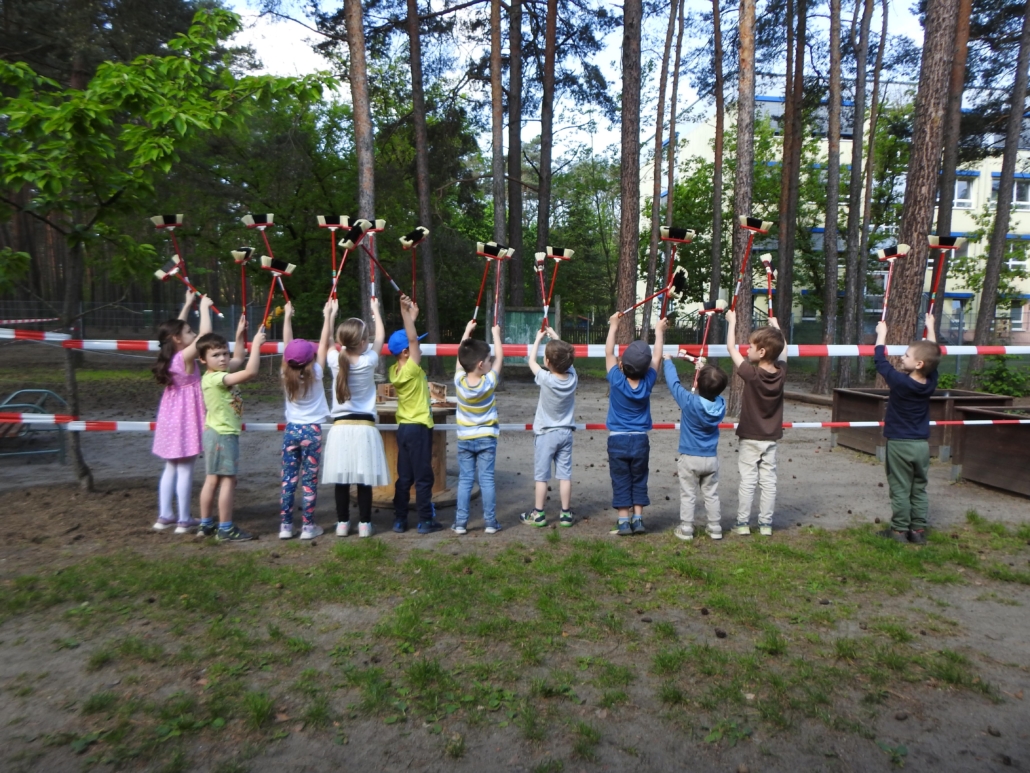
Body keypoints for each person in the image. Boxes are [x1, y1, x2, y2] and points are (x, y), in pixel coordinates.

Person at [323, 299, 391, 538]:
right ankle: (364, 524)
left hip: (340, 428)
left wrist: (329, 315)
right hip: (364, 427)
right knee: (364, 479)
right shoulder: (368, 360)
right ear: (363, 343)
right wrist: (375, 311)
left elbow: (327, 342)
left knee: (341, 479)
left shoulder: (335, 359)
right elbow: (381, 337)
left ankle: (342, 523)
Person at [196, 322, 266, 542]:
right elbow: (251, 371)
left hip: (216, 433)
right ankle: (225, 528)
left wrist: (239, 336)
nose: (223, 358)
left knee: (212, 480)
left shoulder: (218, 371)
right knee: (227, 481)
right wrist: (256, 346)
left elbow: (238, 358)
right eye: (216, 355)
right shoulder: (217, 378)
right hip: (223, 435)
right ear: (203, 360)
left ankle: (206, 524)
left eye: (224, 353)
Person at [874, 313, 940, 544]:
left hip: (899, 444)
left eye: (906, 355)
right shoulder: (931, 381)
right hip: (921, 445)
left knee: (900, 487)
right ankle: (918, 531)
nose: (902, 358)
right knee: (919, 488)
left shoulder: (901, 382)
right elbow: (933, 352)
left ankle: (900, 531)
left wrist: (881, 336)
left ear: (919, 363)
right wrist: (930, 327)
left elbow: (880, 362)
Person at [151, 290, 211, 534]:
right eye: (188, 332)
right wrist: (204, 307)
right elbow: (205, 337)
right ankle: (184, 519)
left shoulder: (171, 355)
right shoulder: (184, 357)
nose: (193, 333)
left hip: (171, 416)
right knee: (186, 467)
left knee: (172, 467)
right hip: (186, 416)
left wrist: (186, 304)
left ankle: (165, 515)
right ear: (177, 338)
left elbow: (177, 330)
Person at [725, 310, 787, 537]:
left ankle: (742, 523)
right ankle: (766, 525)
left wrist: (732, 322)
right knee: (769, 481)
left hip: (750, 437)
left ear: (761, 352)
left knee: (748, 481)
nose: (746, 349)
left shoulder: (751, 374)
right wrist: (777, 327)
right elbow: (784, 352)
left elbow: (731, 348)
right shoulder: (782, 374)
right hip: (771, 438)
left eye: (750, 347)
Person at [604, 313, 667, 536]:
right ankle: (638, 519)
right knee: (639, 477)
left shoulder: (616, 379)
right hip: (640, 440)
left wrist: (613, 326)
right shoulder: (648, 381)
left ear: (622, 364)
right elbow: (658, 355)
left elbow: (609, 352)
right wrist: (659, 331)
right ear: (646, 367)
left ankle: (623, 521)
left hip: (617, 440)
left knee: (621, 478)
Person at [278, 300, 334, 541]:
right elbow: (324, 343)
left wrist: (287, 317)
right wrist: (328, 316)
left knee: (288, 480)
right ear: (311, 360)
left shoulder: (284, 374)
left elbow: (287, 345)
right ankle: (308, 526)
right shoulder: (317, 373)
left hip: (291, 431)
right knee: (310, 480)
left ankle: (285, 526)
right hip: (312, 432)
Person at [387, 293, 441, 534]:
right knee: (423, 477)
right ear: (406, 353)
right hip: (418, 428)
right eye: (413, 344)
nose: (416, 344)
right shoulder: (411, 368)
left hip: (404, 429)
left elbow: (408, 339)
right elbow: (410, 338)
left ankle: (399, 520)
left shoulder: (394, 370)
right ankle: (425, 521)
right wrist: (403, 313)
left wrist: (411, 316)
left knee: (405, 476)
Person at [663, 354, 728, 541]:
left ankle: (686, 528)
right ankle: (715, 527)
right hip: (711, 459)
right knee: (711, 494)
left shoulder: (689, 402)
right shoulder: (721, 405)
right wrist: (701, 370)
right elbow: (713, 390)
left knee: (688, 494)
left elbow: (673, 384)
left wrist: (668, 361)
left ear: (697, 384)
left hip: (690, 458)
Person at [520, 326, 577, 528]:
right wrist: (556, 338)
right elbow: (566, 361)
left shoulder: (545, 378)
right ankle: (566, 514)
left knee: (542, 477)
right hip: (566, 433)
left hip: (546, 435)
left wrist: (538, 339)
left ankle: (539, 513)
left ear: (547, 362)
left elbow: (531, 361)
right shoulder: (573, 378)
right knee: (565, 475)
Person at [452, 320, 504, 535]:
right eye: (489, 360)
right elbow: (501, 357)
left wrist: (466, 332)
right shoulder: (489, 382)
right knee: (487, 480)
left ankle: (461, 523)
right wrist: (496, 335)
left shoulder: (459, 382)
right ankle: (490, 522)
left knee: (465, 480)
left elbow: (459, 360)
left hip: (465, 439)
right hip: (487, 438)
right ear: (481, 364)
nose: (492, 362)